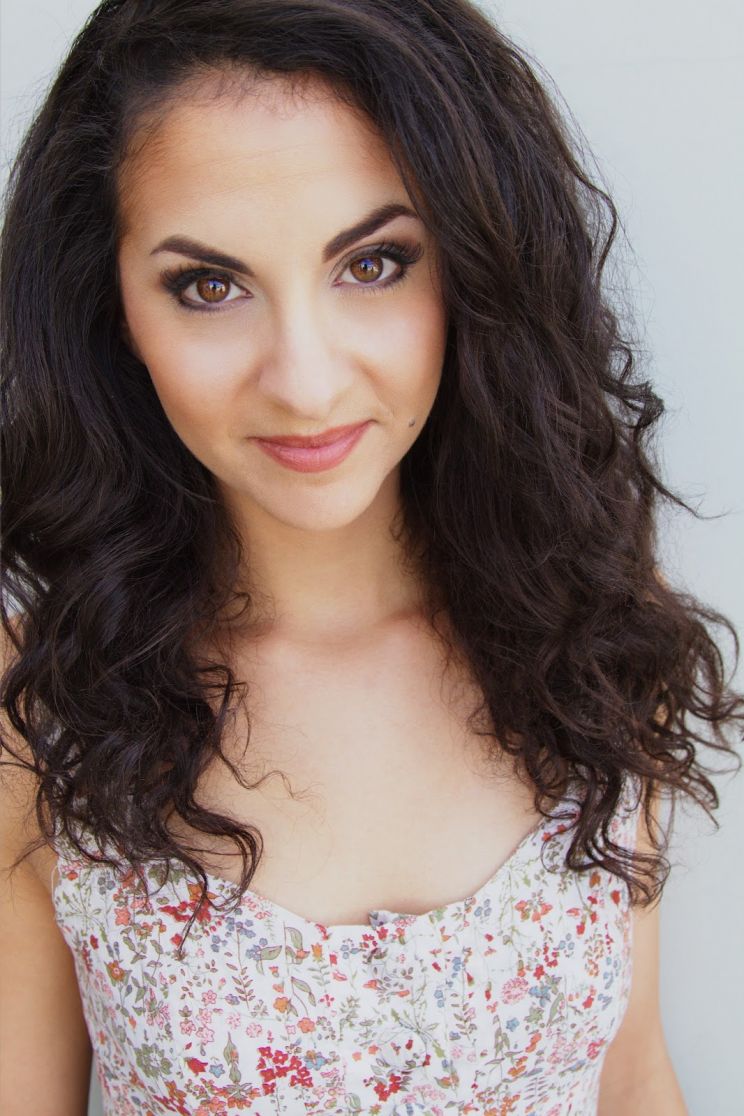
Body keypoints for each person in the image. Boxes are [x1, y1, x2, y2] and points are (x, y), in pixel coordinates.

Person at [1, 1, 742, 1113]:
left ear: (475, 266)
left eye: (375, 263)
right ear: (111, 312)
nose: (305, 381)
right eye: (209, 285)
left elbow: (632, 1073)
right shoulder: (40, 702)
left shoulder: (593, 632)